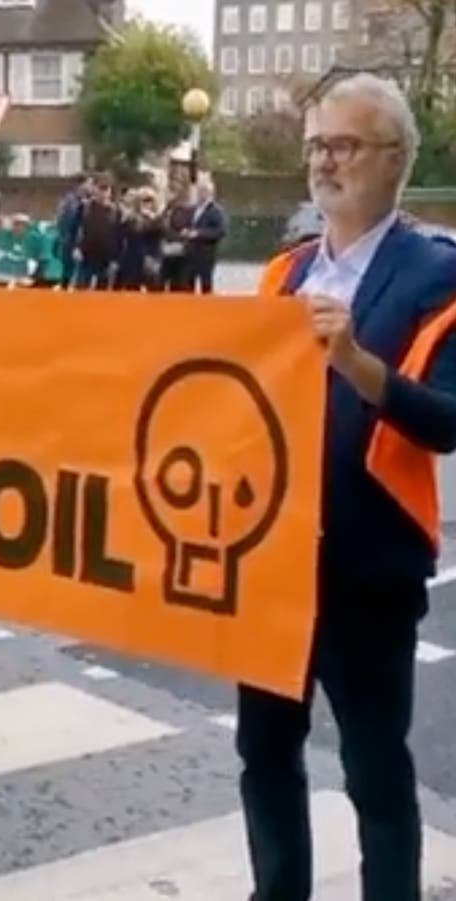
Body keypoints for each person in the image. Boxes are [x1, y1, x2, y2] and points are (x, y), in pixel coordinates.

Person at [247, 72, 456, 900]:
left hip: (368, 566)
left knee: (374, 769)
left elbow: (446, 419)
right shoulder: (282, 274)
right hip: (266, 563)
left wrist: (358, 366)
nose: (324, 162)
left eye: (345, 145)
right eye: (316, 147)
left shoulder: (436, 273)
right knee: (263, 753)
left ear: (395, 159)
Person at [185, 181, 227, 294]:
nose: (200, 194)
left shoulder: (216, 211)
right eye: (199, 191)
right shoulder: (192, 209)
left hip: (206, 254)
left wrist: (199, 234)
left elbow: (220, 231)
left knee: (206, 284)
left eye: (204, 191)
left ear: (210, 193)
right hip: (190, 254)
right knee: (187, 284)